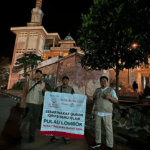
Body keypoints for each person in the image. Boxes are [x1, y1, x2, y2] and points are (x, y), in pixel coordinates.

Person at [90, 76, 118, 150]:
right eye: (102, 81)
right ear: (100, 82)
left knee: (109, 130)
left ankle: (110, 146)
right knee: (97, 128)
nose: (103, 82)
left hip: (107, 113)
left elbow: (116, 100)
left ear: (107, 82)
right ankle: (97, 142)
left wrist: (109, 97)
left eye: (105, 81)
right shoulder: (97, 90)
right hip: (98, 112)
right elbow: (94, 98)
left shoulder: (111, 90)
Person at [20, 70, 47, 143]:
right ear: (35, 75)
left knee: (34, 121)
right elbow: (25, 91)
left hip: (38, 105)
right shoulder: (30, 82)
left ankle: (31, 135)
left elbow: (45, 93)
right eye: (37, 74)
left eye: (40, 74)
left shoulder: (43, 83)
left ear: (41, 75)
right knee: (26, 119)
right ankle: (20, 134)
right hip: (29, 103)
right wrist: (23, 102)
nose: (38, 75)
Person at [50, 76, 75, 144]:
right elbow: (53, 96)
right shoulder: (58, 88)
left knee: (66, 123)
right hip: (59, 109)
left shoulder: (71, 89)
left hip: (67, 110)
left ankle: (66, 137)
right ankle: (56, 136)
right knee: (58, 123)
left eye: (67, 80)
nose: (65, 81)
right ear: (62, 81)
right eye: (64, 80)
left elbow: (73, 98)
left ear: (68, 81)